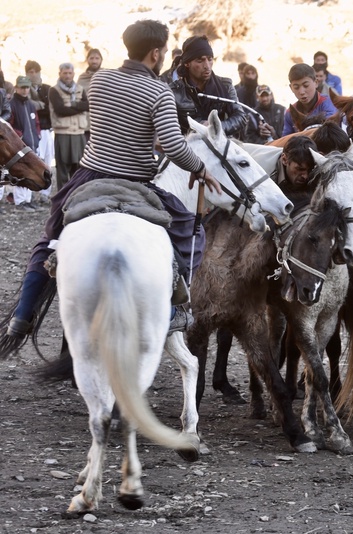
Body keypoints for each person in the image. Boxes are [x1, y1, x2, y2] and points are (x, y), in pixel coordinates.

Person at [1, 19, 221, 346]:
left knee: (49, 239)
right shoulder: (158, 91)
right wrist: (201, 168)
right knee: (192, 230)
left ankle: (23, 311)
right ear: (156, 53)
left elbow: (115, 124)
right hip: (134, 181)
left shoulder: (100, 80)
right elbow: (174, 145)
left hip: (86, 177)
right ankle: (175, 308)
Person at [170, 35, 247, 138]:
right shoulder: (174, 92)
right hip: (188, 150)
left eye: (210, 59)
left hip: (221, 147)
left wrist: (216, 128)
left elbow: (241, 117)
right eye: (200, 61)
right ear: (187, 63)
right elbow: (169, 130)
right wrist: (197, 129)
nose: (207, 66)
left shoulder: (226, 85)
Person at [48, 62, 89, 190]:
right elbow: (60, 110)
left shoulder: (80, 89)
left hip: (79, 134)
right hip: (63, 134)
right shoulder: (54, 90)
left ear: (73, 74)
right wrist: (79, 107)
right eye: (65, 73)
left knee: (79, 168)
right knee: (63, 169)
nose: (67, 76)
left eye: (70, 73)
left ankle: (77, 197)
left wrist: (73, 105)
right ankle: (62, 199)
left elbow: (87, 106)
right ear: (60, 74)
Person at [8, 75, 40, 211]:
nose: (25, 90)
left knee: (31, 171)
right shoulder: (11, 105)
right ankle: (20, 201)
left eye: (27, 87)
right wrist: (19, 137)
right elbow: (8, 125)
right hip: (20, 145)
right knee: (21, 172)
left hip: (31, 145)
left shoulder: (31, 105)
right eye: (22, 87)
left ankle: (27, 199)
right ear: (16, 88)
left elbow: (36, 123)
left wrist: (37, 136)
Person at [283, 63, 337, 137]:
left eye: (306, 85)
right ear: (291, 88)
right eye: (296, 87)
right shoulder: (290, 112)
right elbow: (285, 140)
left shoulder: (328, 103)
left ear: (316, 83)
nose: (301, 92)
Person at [25, 60, 53, 201]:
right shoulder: (24, 88)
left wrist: (38, 106)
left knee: (47, 160)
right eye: (30, 72)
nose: (33, 74)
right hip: (33, 130)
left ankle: (45, 194)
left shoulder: (46, 89)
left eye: (36, 71)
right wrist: (39, 106)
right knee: (34, 160)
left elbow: (50, 108)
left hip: (47, 128)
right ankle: (26, 197)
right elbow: (27, 106)